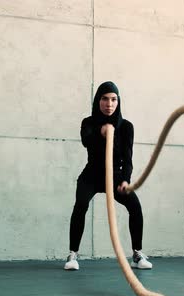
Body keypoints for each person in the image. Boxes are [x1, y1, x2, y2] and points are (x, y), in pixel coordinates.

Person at [64, 81, 152, 271]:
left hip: (116, 175)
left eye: (113, 99)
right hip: (92, 173)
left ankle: (137, 254)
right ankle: (73, 255)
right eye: (105, 99)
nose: (109, 104)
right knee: (80, 204)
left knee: (135, 207)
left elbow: (128, 159)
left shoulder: (127, 127)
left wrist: (126, 180)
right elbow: (86, 141)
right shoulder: (88, 122)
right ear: (98, 101)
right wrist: (100, 131)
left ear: (118, 101)